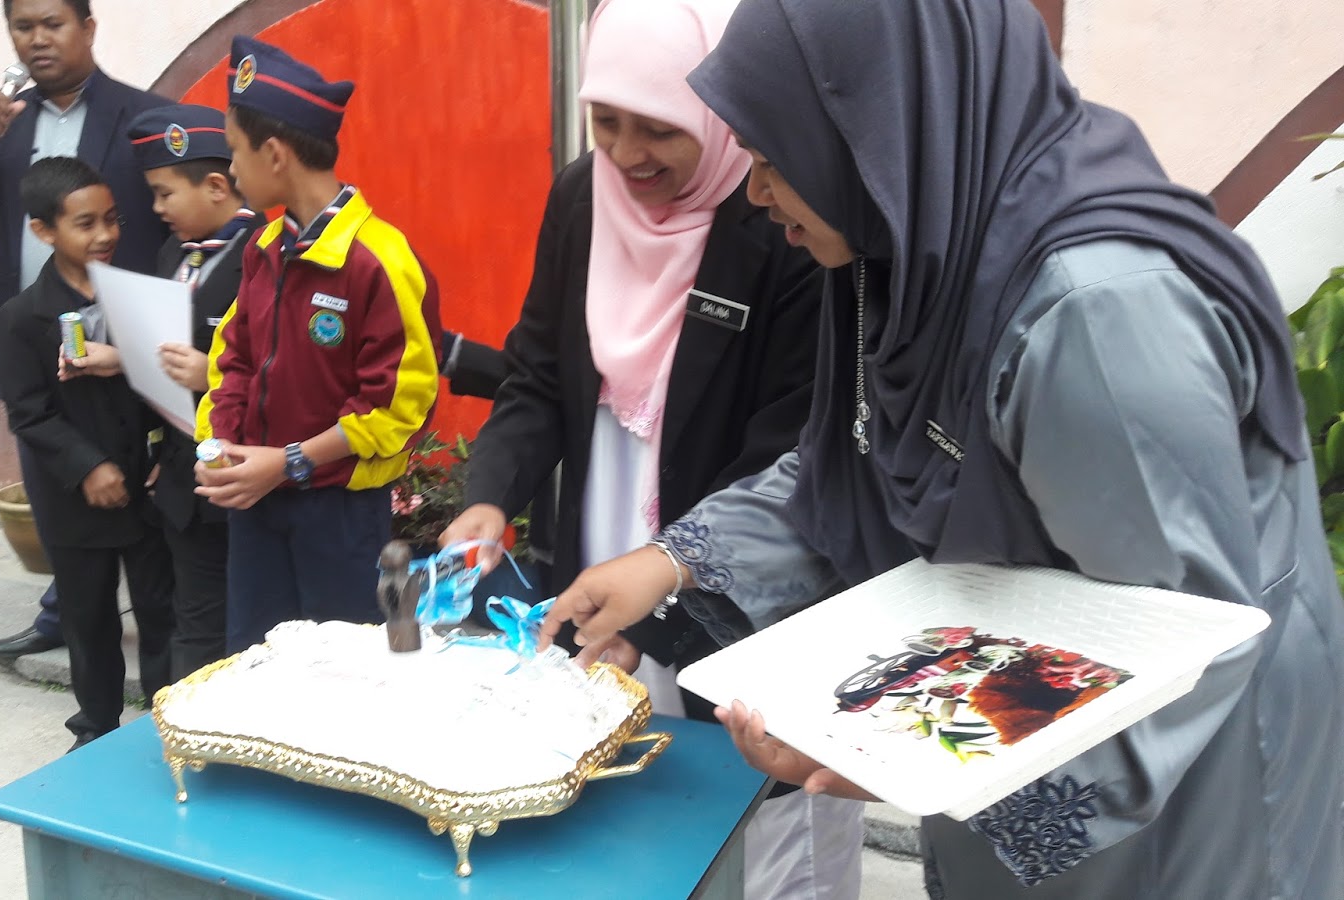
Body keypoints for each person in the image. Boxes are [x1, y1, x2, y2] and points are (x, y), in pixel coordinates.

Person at [544, 0, 1344, 897]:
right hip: (1020, 696)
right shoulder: (921, 251)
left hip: (1175, 771)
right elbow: (865, 458)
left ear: (872, 139)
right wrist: (672, 562)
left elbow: (1178, 636)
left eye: (774, 162)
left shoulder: (1095, 316)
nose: (757, 197)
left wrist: (908, 757)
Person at [440, 2, 859, 897]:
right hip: (607, 550)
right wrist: (489, 495)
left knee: (758, 838)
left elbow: (789, 459)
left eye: (660, 128)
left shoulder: (781, 221)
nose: (628, 154)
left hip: (739, 584)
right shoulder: (582, 198)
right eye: (606, 121)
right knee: (612, 820)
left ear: (716, 111)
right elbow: (538, 373)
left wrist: (658, 616)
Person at [0, 0, 171, 660]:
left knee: (136, 479)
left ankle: (165, 628)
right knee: (56, 478)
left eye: (53, 24)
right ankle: (69, 610)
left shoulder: (143, 117)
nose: (38, 40)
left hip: (119, 339)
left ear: (87, 28)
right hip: (34, 338)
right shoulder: (3, 126)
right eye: (23, 27)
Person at [194, 37, 443, 654]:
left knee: (342, 671)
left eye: (235, 151)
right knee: (255, 662)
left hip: (339, 514)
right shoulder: (262, 249)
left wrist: (289, 462)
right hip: (257, 505)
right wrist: (219, 447)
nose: (230, 170)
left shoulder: (378, 260)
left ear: (275, 155)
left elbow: (396, 407)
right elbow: (232, 361)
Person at [0, 156, 175, 751]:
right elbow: (28, 412)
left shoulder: (143, 299)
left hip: (148, 488)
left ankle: (171, 724)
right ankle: (94, 729)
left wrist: (166, 453)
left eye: (112, 219)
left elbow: (168, 385)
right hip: (74, 500)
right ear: (44, 230)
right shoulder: (21, 317)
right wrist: (88, 466)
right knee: (88, 617)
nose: (104, 235)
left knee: (162, 613)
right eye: (85, 223)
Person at [118, 104, 263, 680]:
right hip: (183, 477)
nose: (156, 209)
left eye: (164, 194)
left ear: (216, 187)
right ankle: (185, 724)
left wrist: (214, 375)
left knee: (253, 624)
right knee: (195, 623)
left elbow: (292, 371)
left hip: (247, 476)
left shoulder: (267, 257)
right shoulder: (171, 256)